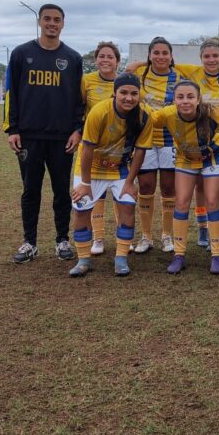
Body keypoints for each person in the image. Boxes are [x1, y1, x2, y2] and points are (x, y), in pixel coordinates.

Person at [3, 3, 85, 264]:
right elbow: (11, 94)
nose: (52, 23)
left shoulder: (73, 58)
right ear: (39, 22)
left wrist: (77, 130)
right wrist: (12, 129)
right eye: (47, 19)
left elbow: (79, 100)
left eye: (57, 20)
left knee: (62, 191)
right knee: (31, 190)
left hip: (62, 138)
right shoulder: (21, 54)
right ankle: (30, 242)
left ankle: (62, 240)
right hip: (29, 137)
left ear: (63, 24)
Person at [67, 73, 152, 277]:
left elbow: (140, 151)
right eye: (123, 92)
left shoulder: (144, 115)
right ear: (114, 93)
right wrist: (85, 183)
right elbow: (87, 150)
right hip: (91, 168)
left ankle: (121, 258)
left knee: (128, 205)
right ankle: (83, 260)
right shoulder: (99, 111)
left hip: (119, 168)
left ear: (139, 95)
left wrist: (130, 182)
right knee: (81, 210)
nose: (129, 98)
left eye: (134, 93)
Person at [152, 80, 219, 275]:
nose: (185, 101)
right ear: (174, 100)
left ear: (198, 99)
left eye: (190, 97)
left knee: (212, 201)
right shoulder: (167, 114)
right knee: (181, 202)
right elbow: (147, 118)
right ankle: (179, 255)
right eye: (180, 97)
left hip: (213, 158)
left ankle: (216, 255)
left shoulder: (212, 112)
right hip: (186, 159)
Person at [130, 37, 185, 255]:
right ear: (149, 55)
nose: (161, 57)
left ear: (171, 56)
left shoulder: (179, 77)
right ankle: (146, 236)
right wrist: (143, 64)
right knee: (145, 186)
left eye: (165, 53)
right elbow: (127, 71)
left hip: (171, 140)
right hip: (145, 139)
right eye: (156, 53)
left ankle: (166, 235)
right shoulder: (139, 75)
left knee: (169, 187)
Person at [80, 41, 121, 257]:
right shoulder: (86, 80)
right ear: (96, 60)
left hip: (119, 147)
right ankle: (98, 238)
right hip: (93, 146)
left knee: (120, 193)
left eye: (110, 57)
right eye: (102, 56)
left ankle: (123, 238)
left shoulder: (123, 81)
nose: (106, 60)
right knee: (97, 192)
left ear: (117, 61)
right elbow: (78, 109)